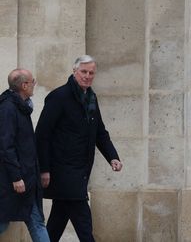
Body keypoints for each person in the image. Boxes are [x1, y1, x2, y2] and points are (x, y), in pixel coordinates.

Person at [35, 55, 122, 242]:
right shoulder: (59, 97)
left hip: (80, 169)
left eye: (91, 73)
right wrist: (44, 169)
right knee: (83, 222)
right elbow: (42, 134)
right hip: (63, 169)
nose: (87, 76)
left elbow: (100, 132)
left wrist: (112, 157)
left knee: (58, 220)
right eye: (83, 72)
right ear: (74, 72)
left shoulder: (91, 98)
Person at [0, 69, 50, 242]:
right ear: (24, 85)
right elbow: (6, 146)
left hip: (28, 179)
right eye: (32, 81)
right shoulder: (8, 108)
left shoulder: (21, 106)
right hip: (12, 181)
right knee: (3, 223)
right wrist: (16, 177)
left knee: (36, 221)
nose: (34, 83)